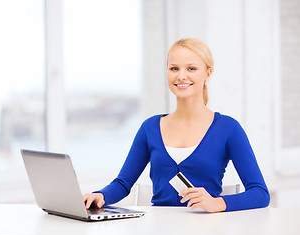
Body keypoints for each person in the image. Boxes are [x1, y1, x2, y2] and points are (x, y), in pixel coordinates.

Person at [84, 38, 270, 213]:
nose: (181, 76)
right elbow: (123, 184)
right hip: (158, 229)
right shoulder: (150, 128)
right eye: (174, 68)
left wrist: (217, 203)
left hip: (208, 230)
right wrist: (100, 195)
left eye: (191, 68)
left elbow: (260, 193)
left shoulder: (229, 129)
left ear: (208, 73)